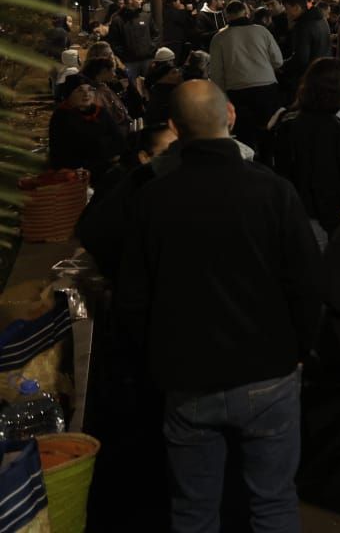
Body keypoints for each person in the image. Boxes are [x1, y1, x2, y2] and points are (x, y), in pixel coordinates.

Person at [115, 80, 320, 533]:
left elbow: (132, 299)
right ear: (230, 114)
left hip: (187, 379)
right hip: (269, 370)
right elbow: (306, 283)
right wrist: (300, 349)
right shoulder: (273, 192)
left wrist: (155, 358)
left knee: (193, 508)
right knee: (273, 502)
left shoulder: (152, 199)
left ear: (173, 127)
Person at [260, 56, 340, 241]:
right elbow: (325, 177)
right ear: (334, 86)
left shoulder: (286, 117)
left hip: (289, 207)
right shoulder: (332, 124)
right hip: (319, 215)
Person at [206, 0, 284, 153]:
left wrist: (223, 97)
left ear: (227, 16)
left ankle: (249, 167)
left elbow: (216, 73)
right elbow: (278, 61)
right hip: (267, 88)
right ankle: (269, 166)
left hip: (238, 92)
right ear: (246, 13)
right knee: (268, 133)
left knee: (244, 137)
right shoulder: (262, 31)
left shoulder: (219, 38)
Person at [48, 73, 126, 181]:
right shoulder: (62, 116)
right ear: (69, 95)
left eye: (90, 89)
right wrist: (102, 146)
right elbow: (71, 149)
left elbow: (119, 139)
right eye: (80, 90)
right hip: (76, 174)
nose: (86, 94)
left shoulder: (100, 112)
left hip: (104, 166)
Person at [281, 0, 332, 91]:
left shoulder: (302, 26)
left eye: (287, 8)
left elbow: (301, 58)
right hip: (324, 73)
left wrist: (281, 65)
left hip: (310, 78)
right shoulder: (321, 19)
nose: (285, 12)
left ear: (296, 7)